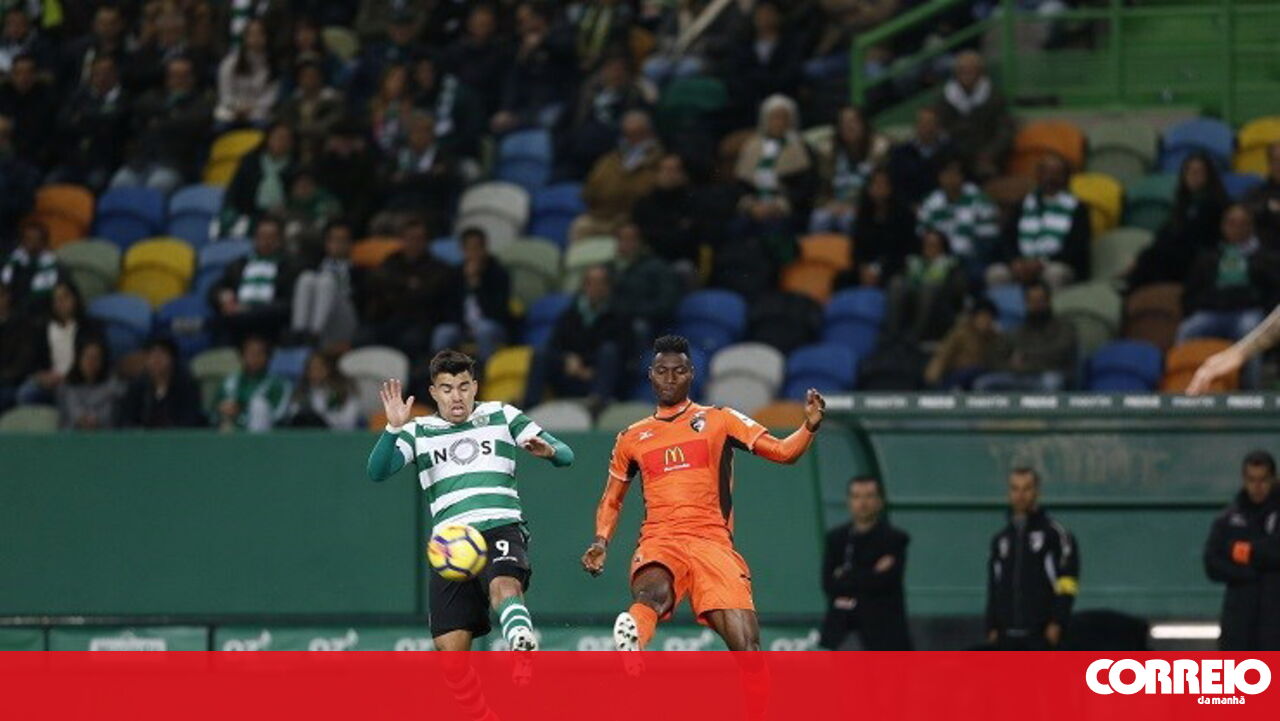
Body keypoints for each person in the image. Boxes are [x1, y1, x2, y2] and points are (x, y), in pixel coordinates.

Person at [581, 334, 827, 651]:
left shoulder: (719, 419)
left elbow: (783, 452)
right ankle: (633, 645)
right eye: (662, 371)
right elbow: (612, 499)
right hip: (661, 539)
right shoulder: (631, 438)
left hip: (712, 542)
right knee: (652, 593)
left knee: (747, 647)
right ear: (650, 376)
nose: (670, 378)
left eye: (679, 371)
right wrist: (600, 541)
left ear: (692, 374)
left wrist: (809, 427)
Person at [367, 350, 576, 651]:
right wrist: (393, 428)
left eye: (464, 387)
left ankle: (521, 644)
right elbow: (377, 471)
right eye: (447, 389)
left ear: (475, 387)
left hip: (500, 526)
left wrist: (551, 452)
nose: (457, 397)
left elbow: (567, 455)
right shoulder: (418, 431)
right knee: (452, 657)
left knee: (504, 586)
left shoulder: (502, 415)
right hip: (450, 544)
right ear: (433, 392)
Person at [1178, 205, 1280, 387]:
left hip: (1248, 312)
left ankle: (1252, 393)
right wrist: (1238, 353)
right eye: (1232, 223)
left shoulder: (1264, 257)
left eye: (1242, 224)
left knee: (1249, 325)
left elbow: (1272, 291)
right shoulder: (1210, 255)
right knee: (1189, 328)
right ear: (1222, 226)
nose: (1237, 229)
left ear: (1251, 227)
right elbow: (1191, 292)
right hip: (1212, 312)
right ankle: (1182, 387)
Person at [985, 467, 1080, 650]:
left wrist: (1057, 621)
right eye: (1015, 488)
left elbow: (1068, 581)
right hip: (1005, 635)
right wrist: (991, 625)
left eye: (1026, 488)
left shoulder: (1056, 535)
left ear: (1037, 492)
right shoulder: (1001, 539)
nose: (1020, 495)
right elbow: (994, 585)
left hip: (1041, 635)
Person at [819, 476, 912, 651]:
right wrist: (871, 572)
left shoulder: (894, 540)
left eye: (869, 496)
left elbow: (884, 582)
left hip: (884, 635)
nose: (862, 503)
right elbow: (829, 584)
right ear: (848, 501)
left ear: (880, 501)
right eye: (856, 496)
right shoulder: (836, 539)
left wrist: (846, 575)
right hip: (840, 632)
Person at [522, 265, 629, 413]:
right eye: (590, 283)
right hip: (570, 375)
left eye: (600, 283)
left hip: (599, 378)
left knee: (609, 351)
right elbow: (554, 346)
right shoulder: (570, 314)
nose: (594, 288)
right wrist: (566, 358)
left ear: (608, 287)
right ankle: (529, 406)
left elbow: (625, 354)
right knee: (541, 353)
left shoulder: (620, 316)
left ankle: (597, 403)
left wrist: (588, 368)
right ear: (584, 286)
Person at [1203, 450, 1280, 651]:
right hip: (1239, 626)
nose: (1257, 487)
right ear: (1244, 480)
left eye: (1263, 480)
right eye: (1251, 480)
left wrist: (1237, 551)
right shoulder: (1229, 518)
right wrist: (1252, 571)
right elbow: (1212, 563)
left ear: (1273, 479)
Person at [987, 152, 1091, 289]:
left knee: (1055, 274)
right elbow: (1007, 239)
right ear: (1038, 176)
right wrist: (1015, 261)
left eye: (1056, 174)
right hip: (1022, 263)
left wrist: (1042, 263)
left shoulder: (1077, 208)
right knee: (996, 274)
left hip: (1054, 264)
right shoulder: (1023, 204)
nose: (1050, 178)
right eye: (1045, 173)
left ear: (1065, 178)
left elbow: (1076, 248)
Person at [1126, 151, 1228, 290]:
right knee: (1150, 255)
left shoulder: (1216, 204)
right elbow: (1166, 232)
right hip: (1178, 257)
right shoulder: (1184, 204)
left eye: (1198, 172)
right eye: (1189, 171)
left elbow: (1194, 237)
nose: (1193, 176)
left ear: (1209, 175)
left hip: (1200, 260)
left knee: (1152, 258)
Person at [112, 55, 214, 193]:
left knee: (157, 185)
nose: (179, 80)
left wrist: (159, 121)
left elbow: (191, 123)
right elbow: (140, 107)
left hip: (174, 164)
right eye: (174, 76)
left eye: (184, 76)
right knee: (120, 182)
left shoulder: (201, 102)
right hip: (141, 162)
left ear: (193, 78)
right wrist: (170, 115)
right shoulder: (155, 95)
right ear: (167, 78)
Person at [732, 94, 814, 257]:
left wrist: (778, 206)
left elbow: (806, 188)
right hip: (755, 207)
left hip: (786, 209)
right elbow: (740, 185)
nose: (779, 122)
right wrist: (751, 206)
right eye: (775, 117)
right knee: (737, 228)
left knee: (775, 232)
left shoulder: (801, 148)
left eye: (784, 117)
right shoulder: (752, 146)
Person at [360, 217, 455, 358]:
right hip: (388, 318)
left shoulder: (437, 267)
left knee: (411, 341)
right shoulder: (392, 261)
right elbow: (375, 280)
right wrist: (405, 283)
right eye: (410, 238)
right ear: (402, 240)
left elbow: (427, 294)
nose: (414, 243)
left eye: (419, 239)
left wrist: (395, 288)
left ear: (426, 241)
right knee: (363, 337)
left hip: (420, 321)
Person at [572, 109, 663, 242]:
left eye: (638, 134)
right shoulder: (608, 161)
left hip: (636, 223)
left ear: (649, 134)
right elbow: (589, 192)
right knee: (581, 225)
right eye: (628, 134)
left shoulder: (660, 162)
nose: (632, 140)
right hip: (603, 217)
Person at [208, 216, 298, 345]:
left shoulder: (290, 267)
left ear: (280, 240)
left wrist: (250, 310)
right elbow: (214, 290)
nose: (265, 241)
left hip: (269, 325)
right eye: (261, 236)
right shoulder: (238, 265)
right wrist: (223, 296)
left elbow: (287, 304)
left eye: (270, 237)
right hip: (236, 324)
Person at [490, 1, 577, 134]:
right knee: (499, 123)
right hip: (526, 105)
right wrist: (506, 109)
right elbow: (512, 81)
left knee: (547, 120)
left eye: (524, 21)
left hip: (554, 104)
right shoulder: (519, 43)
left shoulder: (561, 34)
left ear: (538, 19)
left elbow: (567, 49)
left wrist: (543, 42)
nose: (520, 27)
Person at [973, 281, 1077, 392]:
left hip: (1048, 376)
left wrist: (1026, 359)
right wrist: (1012, 366)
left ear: (1048, 302)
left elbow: (1058, 355)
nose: (1036, 305)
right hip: (1019, 376)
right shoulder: (1018, 331)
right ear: (1026, 303)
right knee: (983, 384)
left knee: (1051, 382)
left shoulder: (1064, 328)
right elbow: (994, 358)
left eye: (1040, 301)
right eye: (1032, 301)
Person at [431, 227, 512, 367]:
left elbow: (497, 311)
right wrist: (462, 324)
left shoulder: (498, 273)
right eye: (470, 249)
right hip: (461, 326)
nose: (474, 253)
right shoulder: (455, 274)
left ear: (485, 248)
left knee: (484, 330)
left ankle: (485, 371)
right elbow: (448, 308)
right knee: (443, 333)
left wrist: (476, 285)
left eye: (477, 248)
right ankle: (441, 372)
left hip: (492, 325)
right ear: (463, 250)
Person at [14, 280, 102, 406]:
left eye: (65, 297)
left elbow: (96, 361)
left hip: (76, 382)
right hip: (51, 381)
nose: (61, 302)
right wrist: (42, 376)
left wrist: (71, 377)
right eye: (56, 299)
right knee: (25, 393)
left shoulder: (90, 327)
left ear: (75, 299)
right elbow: (33, 361)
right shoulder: (43, 328)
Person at [916, 155, 1000, 285]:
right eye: (946, 174)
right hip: (938, 259)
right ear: (939, 177)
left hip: (970, 258)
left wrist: (967, 255)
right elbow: (922, 233)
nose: (951, 178)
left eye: (955, 173)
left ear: (962, 176)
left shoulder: (979, 200)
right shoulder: (931, 202)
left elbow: (989, 236)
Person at [934, 50, 1014, 180]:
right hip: (954, 156)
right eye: (962, 71)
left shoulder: (994, 97)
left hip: (985, 154)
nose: (967, 75)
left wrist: (990, 153)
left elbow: (1005, 130)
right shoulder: (945, 98)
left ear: (980, 73)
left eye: (971, 71)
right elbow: (940, 128)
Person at [809, 105, 887, 235]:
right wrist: (828, 203)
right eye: (843, 123)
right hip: (835, 203)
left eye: (853, 121)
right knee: (819, 218)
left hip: (865, 205)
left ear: (863, 124)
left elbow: (881, 187)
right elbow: (820, 186)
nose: (848, 127)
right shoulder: (827, 151)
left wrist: (857, 205)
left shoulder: (880, 150)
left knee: (849, 220)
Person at [289, 219, 361, 349]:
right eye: (333, 240)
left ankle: (315, 334)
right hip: (315, 315)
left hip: (343, 316)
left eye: (342, 241)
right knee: (306, 277)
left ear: (350, 244)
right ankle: (299, 331)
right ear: (327, 244)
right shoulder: (317, 265)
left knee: (327, 281)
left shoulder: (357, 269)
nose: (338, 245)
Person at [887, 229, 967, 342]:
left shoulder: (951, 264)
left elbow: (958, 290)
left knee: (929, 287)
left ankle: (917, 335)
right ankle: (892, 332)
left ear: (942, 247)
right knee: (897, 283)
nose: (929, 248)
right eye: (927, 244)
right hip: (912, 299)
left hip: (939, 302)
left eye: (934, 245)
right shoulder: (914, 261)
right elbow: (904, 279)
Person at [611, 223, 682, 346]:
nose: (626, 244)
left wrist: (633, 310)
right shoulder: (611, 268)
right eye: (621, 239)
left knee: (639, 327)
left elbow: (666, 304)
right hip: (618, 319)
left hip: (650, 322)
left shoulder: (658, 268)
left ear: (642, 242)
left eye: (631, 239)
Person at [221, 122, 297, 235]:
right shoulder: (251, 161)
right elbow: (234, 190)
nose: (281, 142)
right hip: (250, 215)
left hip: (283, 217)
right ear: (268, 138)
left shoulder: (296, 168)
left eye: (286, 139)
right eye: (278, 137)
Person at [118, 338, 205, 428]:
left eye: (161, 355)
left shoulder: (186, 386)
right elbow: (127, 418)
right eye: (151, 356)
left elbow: (190, 418)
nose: (156, 360)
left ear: (172, 359)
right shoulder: (138, 387)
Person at [924, 298, 1010, 389]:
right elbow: (944, 354)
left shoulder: (994, 337)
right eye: (983, 317)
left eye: (989, 318)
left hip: (981, 375)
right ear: (974, 317)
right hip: (959, 374)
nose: (986, 322)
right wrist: (933, 372)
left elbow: (999, 358)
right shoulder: (961, 333)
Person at [850, 167, 913, 289]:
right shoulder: (863, 215)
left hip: (893, 268)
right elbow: (857, 248)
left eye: (883, 184)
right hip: (866, 268)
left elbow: (903, 250)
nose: (879, 189)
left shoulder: (904, 215)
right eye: (876, 184)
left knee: (897, 284)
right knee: (841, 279)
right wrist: (863, 268)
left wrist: (880, 269)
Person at [213, 334, 292, 431]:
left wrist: (240, 413)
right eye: (250, 353)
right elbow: (212, 413)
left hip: (265, 436)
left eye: (259, 353)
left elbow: (279, 417)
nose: (255, 358)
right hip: (231, 432)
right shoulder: (230, 382)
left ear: (268, 357)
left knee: (259, 405)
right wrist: (220, 412)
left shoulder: (280, 385)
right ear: (242, 356)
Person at [213, 18, 279, 129]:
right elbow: (225, 93)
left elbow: (270, 97)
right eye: (252, 34)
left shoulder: (272, 65)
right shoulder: (230, 62)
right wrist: (237, 108)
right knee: (220, 126)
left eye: (260, 34)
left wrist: (251, 108)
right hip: (231, 112)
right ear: (245, 37)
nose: (256, 38)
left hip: (259, 113)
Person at [887, 106, 953, 207]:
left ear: (938, 127)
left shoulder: (949, 151)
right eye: (923, 123)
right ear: (916, 126)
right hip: (909, 208)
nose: (927, 128)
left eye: (931, 123)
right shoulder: (901, 153)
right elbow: (896, 186)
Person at [56, 339, 122, 430]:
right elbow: (73, 412)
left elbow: (108, 415)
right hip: (72, 436)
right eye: (87, 357)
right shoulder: (66, 387)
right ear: (79, 359)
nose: (91, 363)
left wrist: (95, 420)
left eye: (95, 358)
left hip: (103, 436)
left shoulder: (113, 387)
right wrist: (83, 419)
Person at [285, 351, 361, 430]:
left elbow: (348, 422)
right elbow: (293, 416)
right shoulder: (301, 393)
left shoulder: (342, 393)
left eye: (318, 368)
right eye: (310, 369)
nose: (314, 373)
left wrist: (324, 419)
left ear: (329, 370)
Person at [1, 220, 62, 314]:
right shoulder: (12, 261)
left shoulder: (55, 266)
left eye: (35, 238)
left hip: (39, 311)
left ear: (43, 242)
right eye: (27, 238)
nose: (30, 242)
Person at [1244, 141, 1280, 250]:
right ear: (1269, 163)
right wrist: (1267, 208)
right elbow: (1246, 212)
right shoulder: (1256, 192)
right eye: (1276, 160)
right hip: (1264, 252)